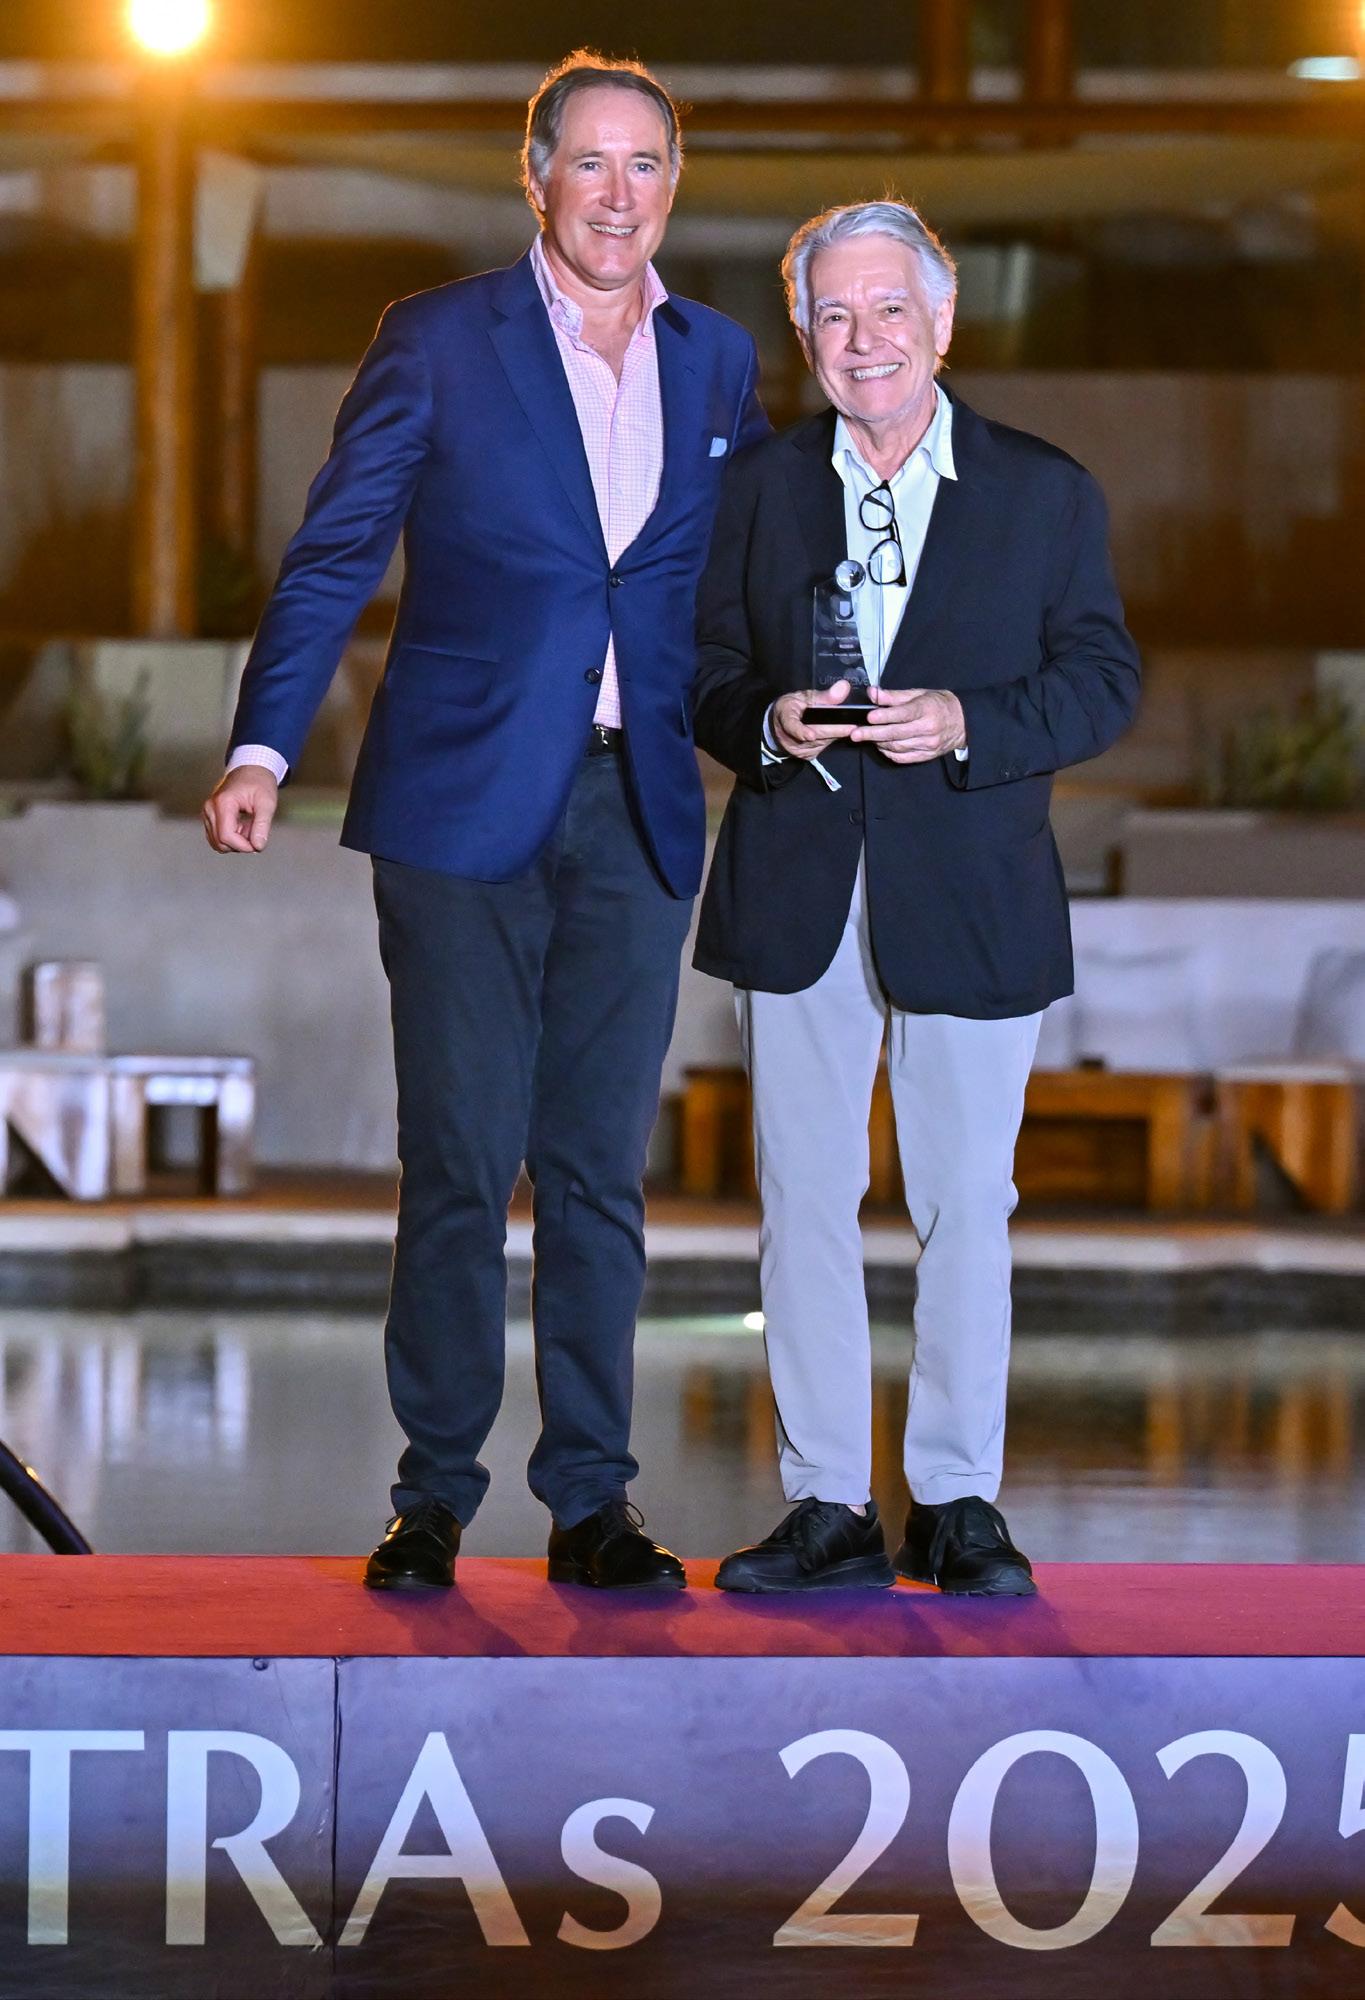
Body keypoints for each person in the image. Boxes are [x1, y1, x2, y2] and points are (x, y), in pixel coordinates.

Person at [202, 53, 767, 1593]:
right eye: (589, 162)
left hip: (638, 807)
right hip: (459, 803)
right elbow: (338, 552)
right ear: (535, 177)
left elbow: (728, 586)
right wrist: (262, 744)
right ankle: (432, 1497)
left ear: (673, 185)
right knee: (458, 1159)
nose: (617, 195)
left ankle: (592, 1502)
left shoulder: (718, 360)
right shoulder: (440, 338)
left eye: (645, 165)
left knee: (597, 1169)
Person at [691, 200, 1140, 1597]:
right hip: (797, 887)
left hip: (973, 893)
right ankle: (827, 1502)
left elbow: (1104, 682)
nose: (862, 337)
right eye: (832, 313)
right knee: (802, 1204)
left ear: (942, 323)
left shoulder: (1044, 491)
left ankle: (955, 1502)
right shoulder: (757, 489)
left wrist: (966, 722)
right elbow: (702, 671)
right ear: (804, 337)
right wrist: (767, 725)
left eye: (889, 308)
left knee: (965, 1203)